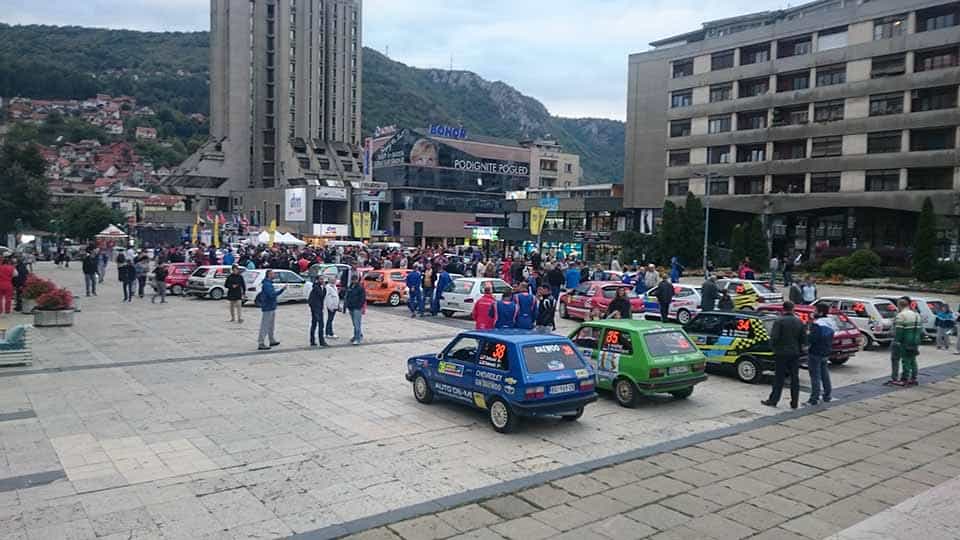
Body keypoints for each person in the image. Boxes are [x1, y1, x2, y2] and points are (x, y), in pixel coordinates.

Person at [762, 301, 806, 409]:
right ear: (793, 309)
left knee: (779, 378)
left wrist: (773, 349)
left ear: (783, 309)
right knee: (794, 378)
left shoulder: (779, 321)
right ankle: (794, 402)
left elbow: (774, 338)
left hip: (781, 353)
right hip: (794, 353)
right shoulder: (799, 321)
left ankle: (774, 400)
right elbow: (803, 339)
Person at [806, 302, 834, 406]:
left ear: (820, 312)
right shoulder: (831, 322)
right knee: (824, 374)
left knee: (815, 376)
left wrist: (808, 331)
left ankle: (814, 399)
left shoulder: (817, 324)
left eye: (815, 310)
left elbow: (812, 339)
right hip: (826, 351)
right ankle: (827, 395)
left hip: (815, 352)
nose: (813, 312)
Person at [891, 297, 922, 386]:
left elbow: (899, 331)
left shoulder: (901, 315)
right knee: (913, 360)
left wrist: (897, 341)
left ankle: (905, 379)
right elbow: (920, 329)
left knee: (905, 360)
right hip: (916, 340)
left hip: (905, 341)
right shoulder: (916, 315)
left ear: (899, 305)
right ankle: (914, 378)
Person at [257, 270, 286, 350]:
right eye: (273, 274)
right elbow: (271, 295)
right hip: (268, 306)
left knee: (271, 325)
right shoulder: (267, 284)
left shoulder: (269, 283)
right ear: (269, 275)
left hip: (271, 306)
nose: (274, 275)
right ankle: (261, 342)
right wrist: (281, 290)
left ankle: (271, 339)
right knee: (265, 325)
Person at [344, 275, 367, 345]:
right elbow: (347, 296)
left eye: (355, 280)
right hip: (351, 307)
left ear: (357, 280)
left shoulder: (360, 288)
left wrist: (359, 306)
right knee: (354, 323)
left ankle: (358, 339)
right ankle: (356, 335)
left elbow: (363, 298)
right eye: (353, 280)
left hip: (357, 308)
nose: (354, 281)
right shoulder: (350, 286)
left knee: (357, 324)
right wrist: (346, 305)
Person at [307, 277, 328, 347]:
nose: (322, 281)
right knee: (320, 325)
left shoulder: (316, 286)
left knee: (314, 324)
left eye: (323, 279)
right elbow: (321, 295)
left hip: (316, 308)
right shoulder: (316, 287)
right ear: (317, 280)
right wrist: (324, 288)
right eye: (321, 279)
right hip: (317, 308)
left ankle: (312, 341)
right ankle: (321, 341)